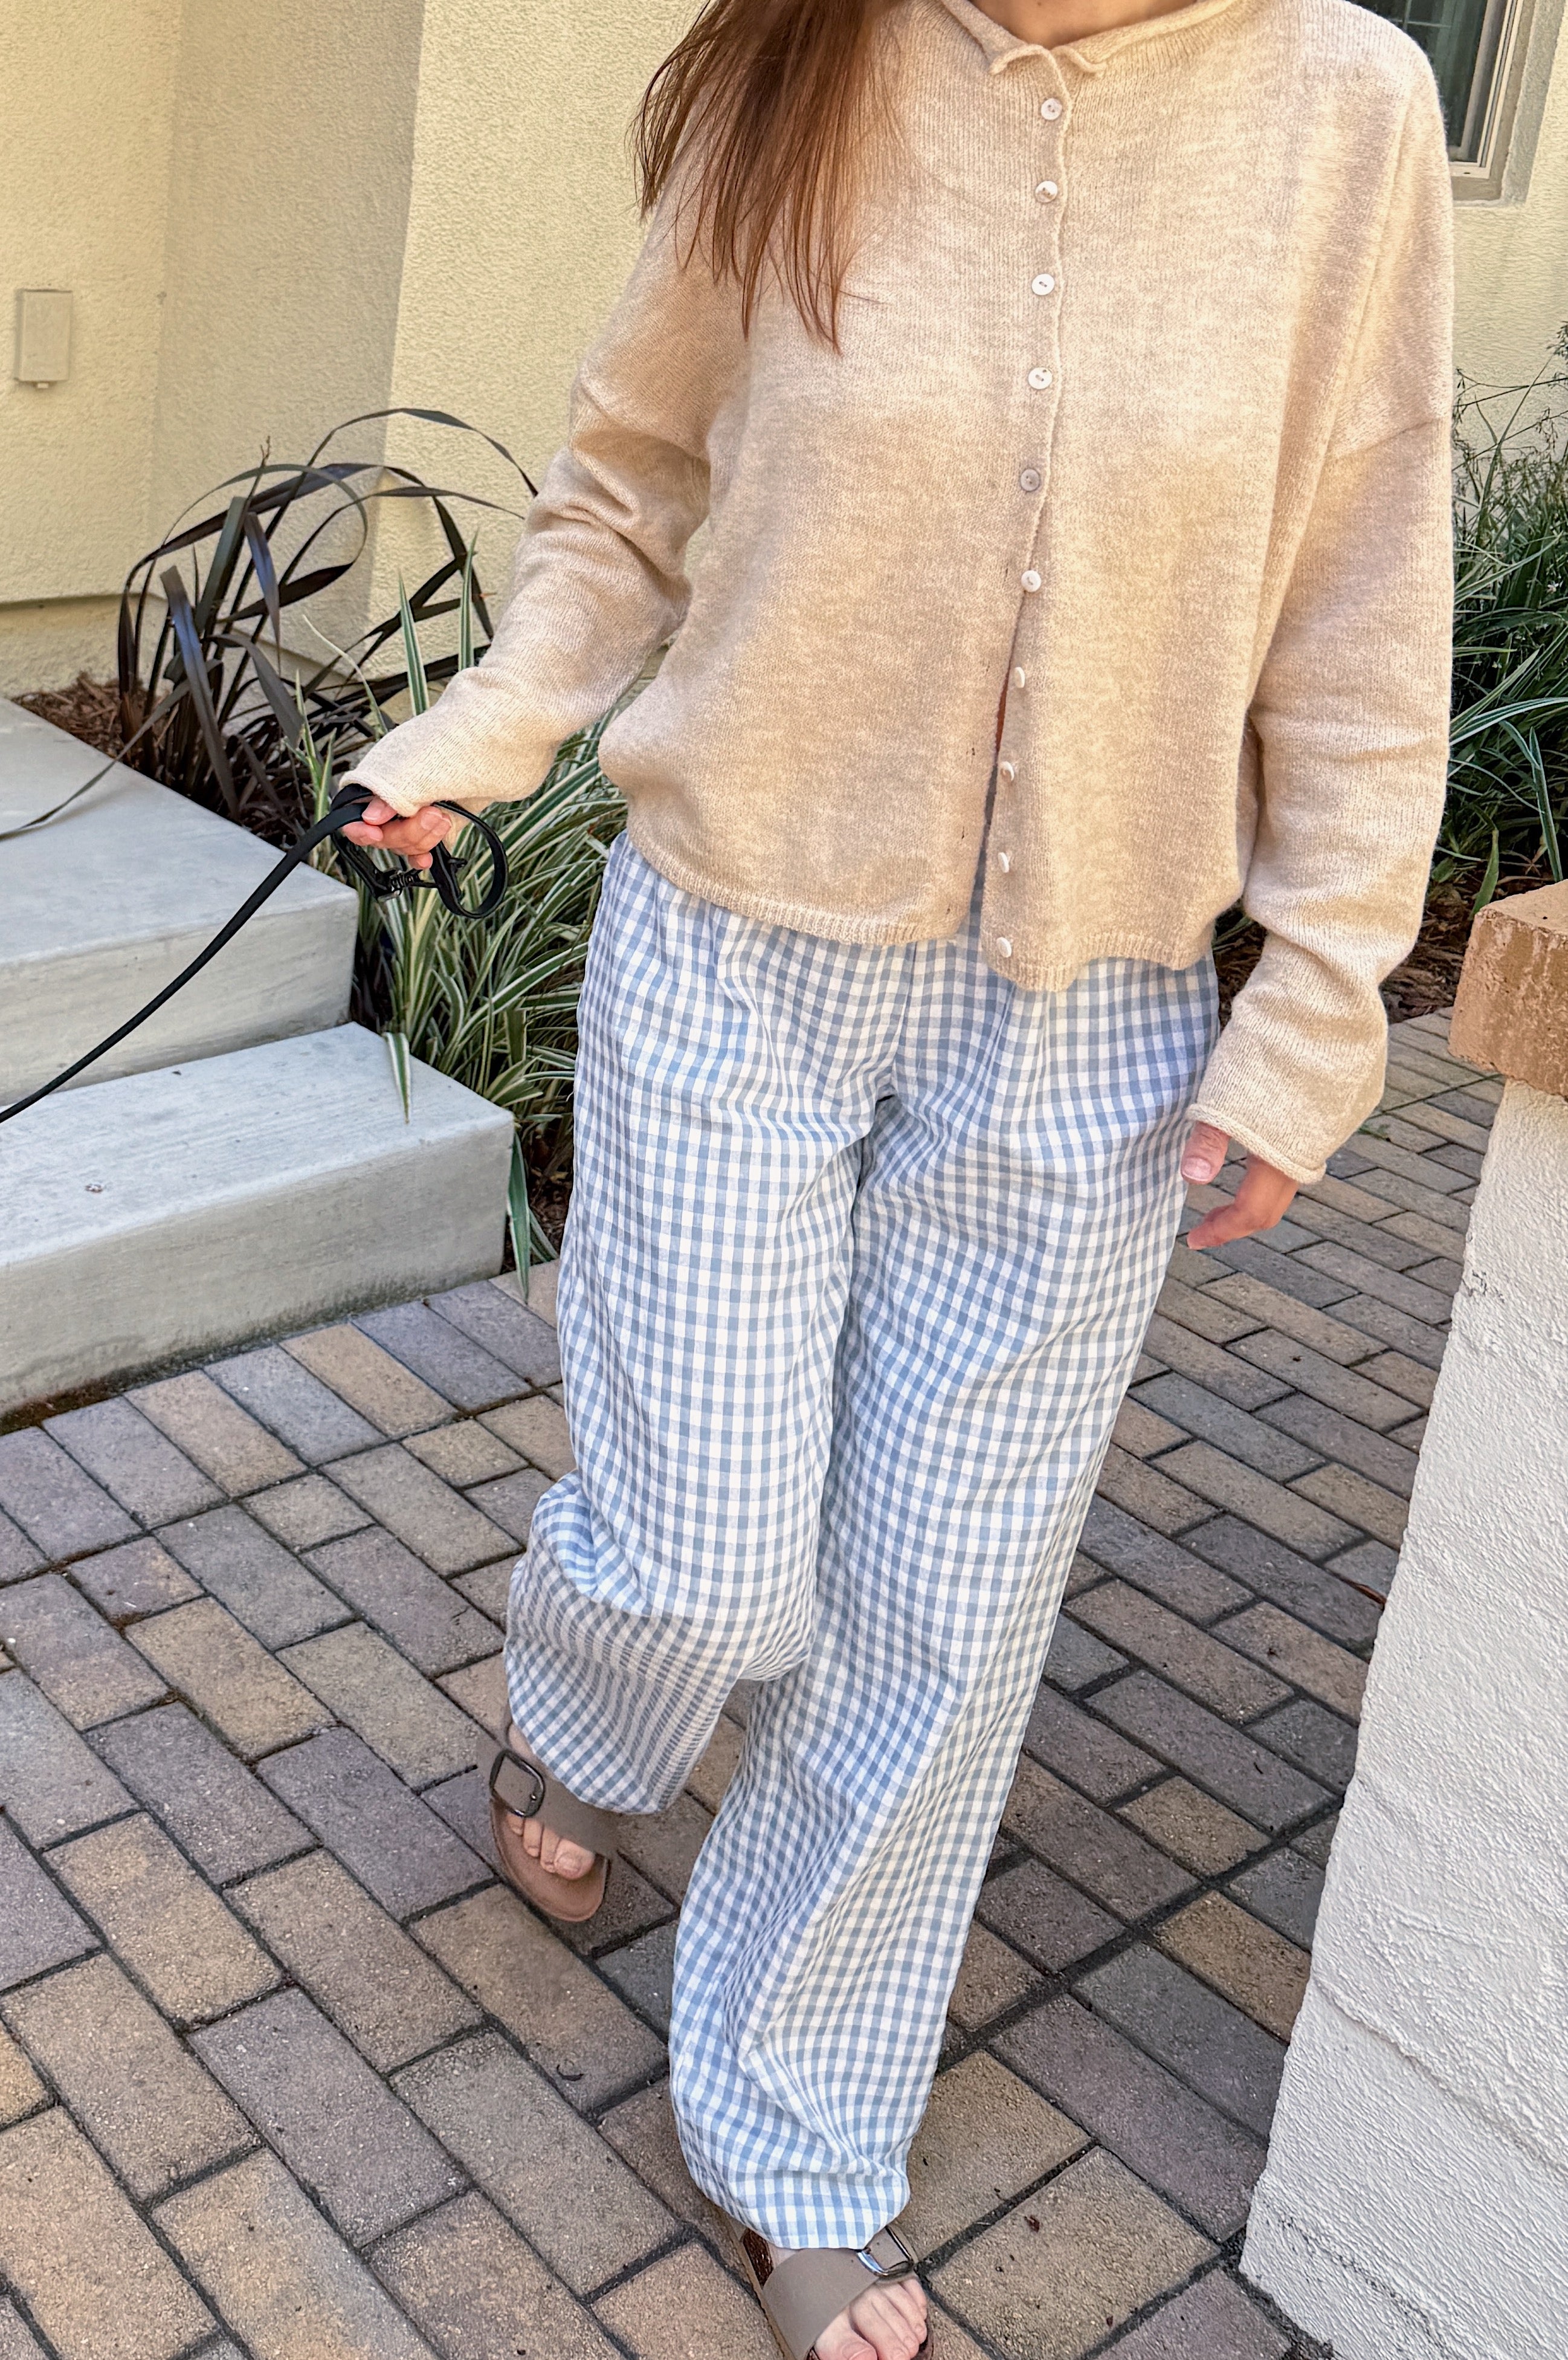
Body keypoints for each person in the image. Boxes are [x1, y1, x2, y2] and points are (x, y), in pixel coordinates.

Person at [343, 0, 1454, 2348]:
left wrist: (1318, 995)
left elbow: (1367, 570)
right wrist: (493, 712)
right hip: (745, 940)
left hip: (1093, 1004)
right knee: (708, 1550)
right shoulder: (805, 56)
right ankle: (589, 1712)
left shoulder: (1340, 104)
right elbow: (628, 479)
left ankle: (792, 2120)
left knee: (939, 1621)